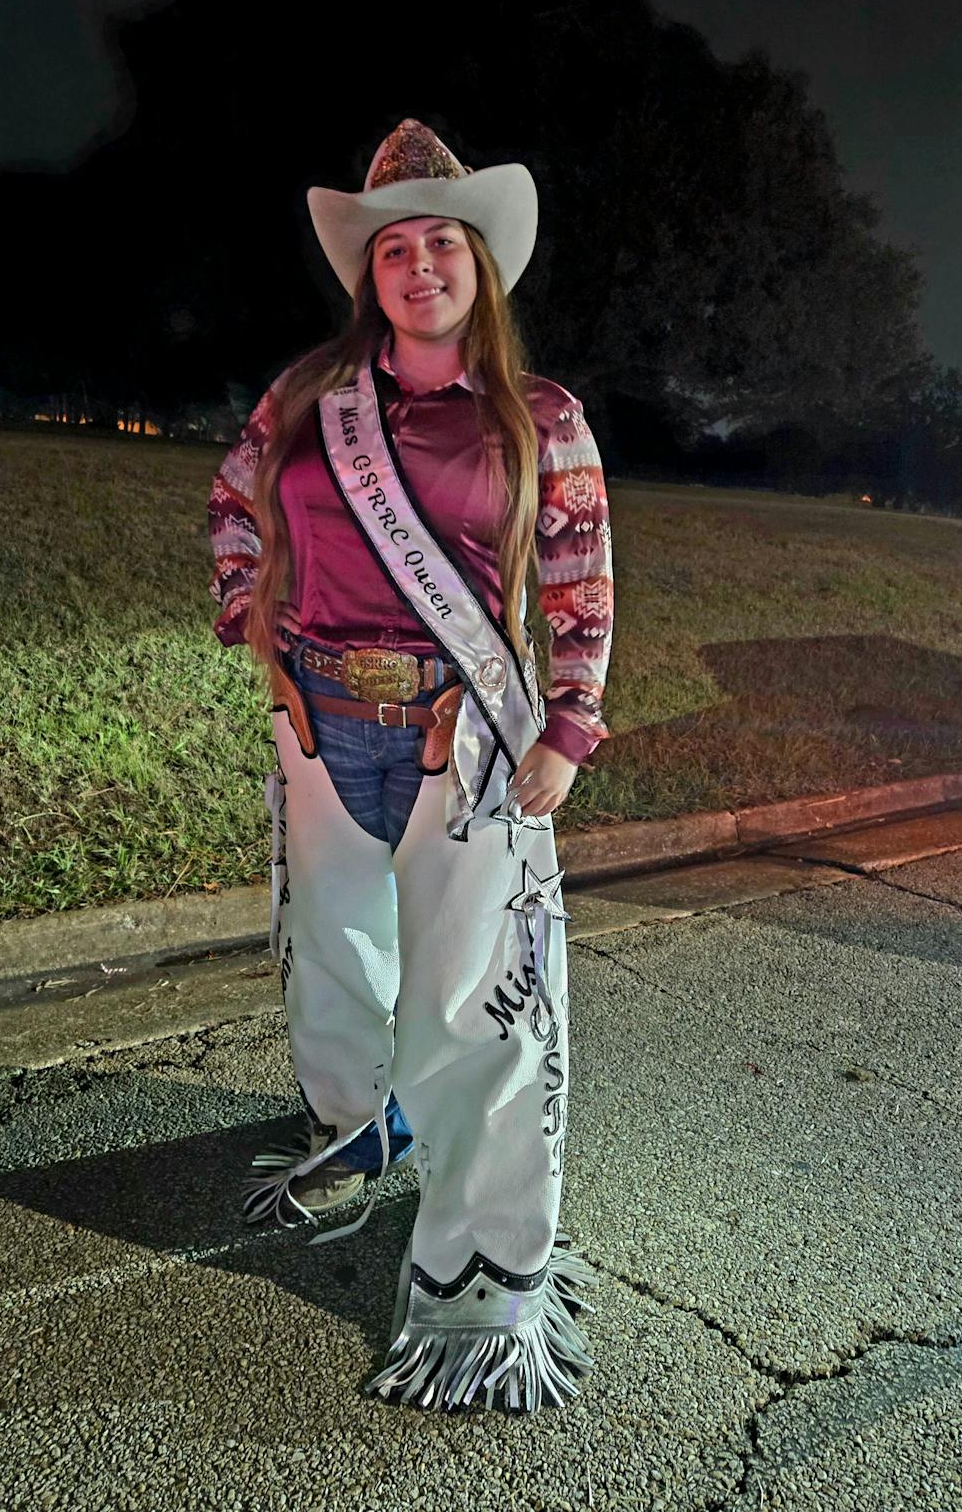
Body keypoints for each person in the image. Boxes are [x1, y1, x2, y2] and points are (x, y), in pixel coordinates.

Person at [207, 118, 614, 1413]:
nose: (419, 265)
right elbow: (234, 507)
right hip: (321, 720)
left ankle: (483, 1282)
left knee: (479, 1001)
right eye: (395, 249)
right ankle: (362, 1124)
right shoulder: (307, 396)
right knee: (334, 952)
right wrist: (256, 628)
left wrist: (568, 727)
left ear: (479, 262)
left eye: (442, 242)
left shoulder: (539, 415)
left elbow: (579, 578)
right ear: (368, 272)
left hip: (465, 735)